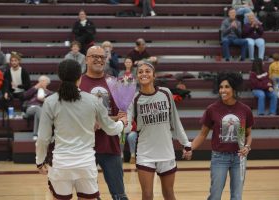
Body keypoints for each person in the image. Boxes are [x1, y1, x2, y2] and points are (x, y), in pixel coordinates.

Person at [36, 59, 127, 200]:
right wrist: (122, 122)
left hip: (61, 164)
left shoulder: (50, 101)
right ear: (80, 77)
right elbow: (111, 129)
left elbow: (43, 138)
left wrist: (39, 160)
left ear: (60, 77)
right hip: (86, 164)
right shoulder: (93, 100)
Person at [130, 62, 192, 200]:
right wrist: (121, 120)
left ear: (154, 75)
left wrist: (186, 143)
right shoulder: (134, 98)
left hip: (166, 152)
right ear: (137, 76)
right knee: (147, 195)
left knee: (169, 194)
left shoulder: (166, 93)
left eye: (147, 71)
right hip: (145, 153)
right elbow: (128, 127)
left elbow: (175, 120)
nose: (144, 74)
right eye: (140, 72)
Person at [188, 72, 253, 200]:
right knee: (215, 195)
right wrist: (190, 148)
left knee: (237, 196)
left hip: (239, 158)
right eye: (221, 87)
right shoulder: (212, 109)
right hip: (219, 157)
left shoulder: (245, 110)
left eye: (227, 87)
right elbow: (202, 134)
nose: (223, 90)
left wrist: (247, 146)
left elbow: (248, 134)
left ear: (234, 89)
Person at [80, 46, 129, 200]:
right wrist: (88, 122)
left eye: (102, 57)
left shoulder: (113, 83)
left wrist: (105, 121)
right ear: (86, 59)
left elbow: (121, 115)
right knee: (89, 196)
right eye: (94, 56)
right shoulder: (78, 82)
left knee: (119, 195)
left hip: (110, 146)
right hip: (85, 148)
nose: (99, 60)